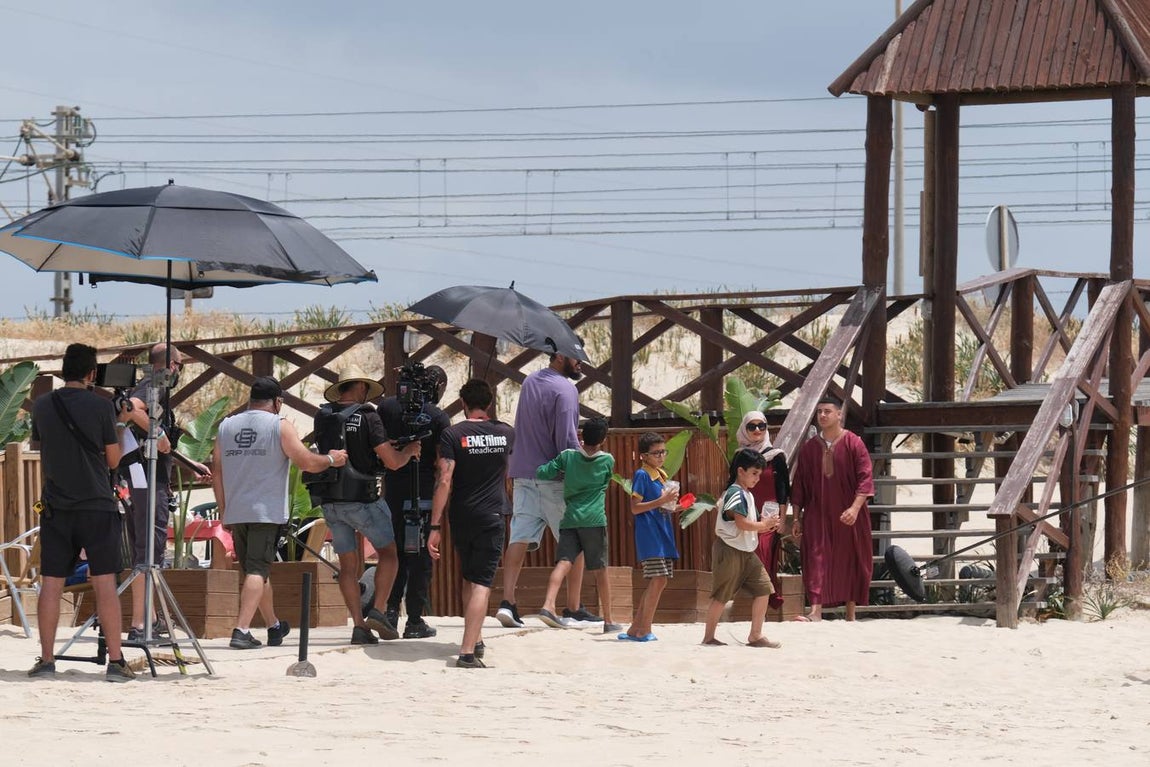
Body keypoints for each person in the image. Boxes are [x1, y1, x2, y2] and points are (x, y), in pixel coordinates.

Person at [212, 376, 347, 649]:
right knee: (258, 570)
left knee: (256, 571)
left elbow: (216, 468)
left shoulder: (226, 425)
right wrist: (333, 459)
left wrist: (224, 508)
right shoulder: (279, 425)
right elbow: (306, 462)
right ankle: (241, 630)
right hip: (265, 511)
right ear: (277, 402)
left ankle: (274, 626)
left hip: (237, 510)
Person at [28, 342, 135, 681]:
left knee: (52, 583)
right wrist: (119, 424)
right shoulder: (101, 406)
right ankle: (115, 662)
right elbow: (113, 460)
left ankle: (46, 659)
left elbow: (41, 445)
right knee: (105, 582)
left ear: (63, 370)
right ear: (92, 373)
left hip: (57, 505)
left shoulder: (42, 406)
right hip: (96, 504)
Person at [312, 375, 422, 645]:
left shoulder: (323, 415)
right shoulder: (368, 415)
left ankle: (359, 626)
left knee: (348, 566)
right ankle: (379, 610)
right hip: (363, 500)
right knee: (389, 554)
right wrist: (408, 451)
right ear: (361, 387)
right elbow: (393, 463)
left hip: (331, 501)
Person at [121, 342, 212, 643]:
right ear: (172, 365)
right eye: (181, 366)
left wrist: (189, 462)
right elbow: (131, 408)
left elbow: (157, 437)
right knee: (150, 550)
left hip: (141, 476)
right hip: (148, 479)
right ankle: (139, 623)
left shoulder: (148, 382)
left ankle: (151, 619)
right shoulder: (156, 382)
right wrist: (156, 432)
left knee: (146, 549)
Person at [498, 352, 596, 628]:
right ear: (560, 355)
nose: (580, 363)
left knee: (518, 538)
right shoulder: (566, 389)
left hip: (523, 472)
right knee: (574, 541)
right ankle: (572, 607)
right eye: (576, 357)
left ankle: (508, 602)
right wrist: (582, 465)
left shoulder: (530, 381)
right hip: (553, 477)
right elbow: (565, 438)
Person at [427, 379, 515, 669]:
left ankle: (474, 638)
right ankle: (467, 651)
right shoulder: (506, 434)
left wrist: (435, 525)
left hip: (462, 514)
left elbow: (444, 480)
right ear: (489, 403)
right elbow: (511, 469)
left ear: (463, 404)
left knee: (469, 576)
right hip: (493, 514)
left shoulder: (453, 434)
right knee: (482, 583)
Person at [375, 364, 449, 639]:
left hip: (393, 489)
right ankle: (415, 619)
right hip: (424, 489)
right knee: (420, 555)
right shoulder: (437, 416)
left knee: (395, 552)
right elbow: (443, 464)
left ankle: (390, 612)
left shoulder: (387, 407)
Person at [790, 396, 875, 622]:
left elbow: (865, 479)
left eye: (827, 411)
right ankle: (815, 611)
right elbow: (799, 486)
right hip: (817, 514)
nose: (823, 416)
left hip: (848, 514)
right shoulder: (809, 449)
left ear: (839, 414)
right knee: (816, 558)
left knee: (850, 559)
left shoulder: (854, 443)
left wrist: (855, 509)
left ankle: (850, 613)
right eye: (819, 412)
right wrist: (797, 518)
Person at [534, 418, 622, 633]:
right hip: (594, 520)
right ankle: (609, 620)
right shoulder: (607, 460)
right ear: (602, 440)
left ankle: (548, 605)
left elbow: (542, 472)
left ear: (581, 436)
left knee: (563, 563)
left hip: (570, 518)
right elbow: (605, 480)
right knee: (600, 571)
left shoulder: (567, 456)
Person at [701, 448, 781, 648]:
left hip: (745, 550)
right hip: (730, 550)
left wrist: (765, 524)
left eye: (759, 474)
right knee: (722, 595)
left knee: (764, 589)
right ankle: (708, 637)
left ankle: (755, 635)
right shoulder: (735, 493)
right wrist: (765, 525)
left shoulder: (744, 494)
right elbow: (742, 524)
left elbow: (746, 524)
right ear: (741, 471)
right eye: (754, 473)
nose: (757, 478)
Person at [620, 432, 680, 642]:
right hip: (650, 536)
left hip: (662, 535)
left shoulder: (660, 475)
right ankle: (644, 629)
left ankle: (635, 629)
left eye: (663, 452)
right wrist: (663, 500)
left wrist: (675, 505)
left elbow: (661, 506)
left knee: (659, 581)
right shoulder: (642, 475)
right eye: (656, 453)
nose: (661, 456)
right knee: (658, 580)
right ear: (644, 456)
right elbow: (635, 508)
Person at [735, 410, 791, 610]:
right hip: (746, 514)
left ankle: (762, 602)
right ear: (744, 430)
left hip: (769, 515)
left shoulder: (776, 457)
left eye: (762, 426)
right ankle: (752, 604)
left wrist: (783, 519)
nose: (757, 430)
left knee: (763, 554)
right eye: (752, 426)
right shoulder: (740, 457)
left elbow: (784, 489)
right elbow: (732, 485)